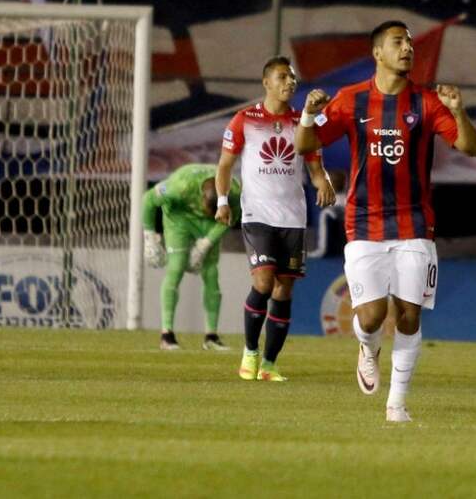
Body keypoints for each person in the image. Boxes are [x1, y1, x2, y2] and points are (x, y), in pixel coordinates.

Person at [294, 20, 476, 422]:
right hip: (363, 222)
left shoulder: (427, 102)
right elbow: (306, 145)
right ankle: (367, 345)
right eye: (398, 42)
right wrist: (309, 116)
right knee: (372, 317)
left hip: (415, 223)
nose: (407, 48)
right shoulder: (352, 99)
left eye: (410, 42)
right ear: (377, 52)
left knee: (409, 315)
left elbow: (470, 147)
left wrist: (458, 112)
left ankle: (396, 403)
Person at [216, 56, 335, 382]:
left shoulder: (303, 123)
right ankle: (250, 352)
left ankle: (269, 364)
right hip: (257, 214)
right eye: (282, 77)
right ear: (266, 82)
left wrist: (322, 180)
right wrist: (224, 201)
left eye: (293, 78)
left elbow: (313, 166)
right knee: (264, 282)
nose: (289, 83)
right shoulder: (245, 119)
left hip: (293, 217)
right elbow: (225, 164)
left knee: (284, 291)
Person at [143, 163, 241, 351]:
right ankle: (167, 334)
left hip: (213, 223)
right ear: (202, 198)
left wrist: (206, 244)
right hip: (180, 218)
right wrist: (149, 237)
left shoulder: (234, 191)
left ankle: (211, 337)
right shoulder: (180, 186)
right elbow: (148, 200)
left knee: (211, 273)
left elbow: (230, 218)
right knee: (176, 267)